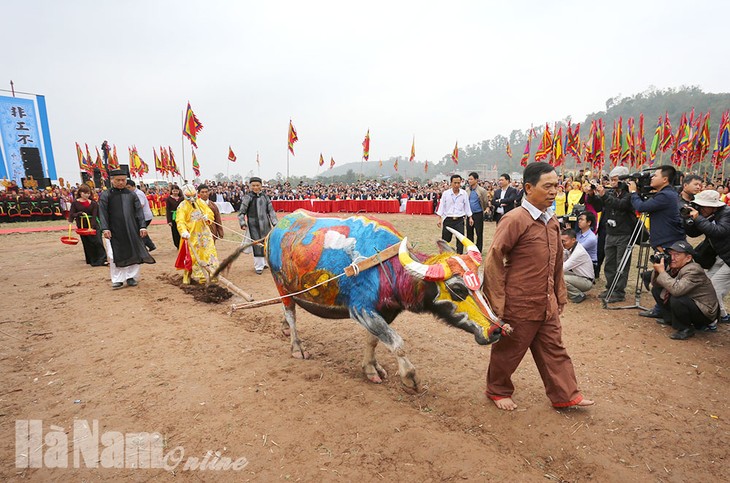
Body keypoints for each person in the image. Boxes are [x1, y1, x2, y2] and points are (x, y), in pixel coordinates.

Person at [483, 162, 593, 411]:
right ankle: (497, 390)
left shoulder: (552, 222)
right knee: (510, 350)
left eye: (556, 185)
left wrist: (559, 295)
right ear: (529, 188)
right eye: (548, 186)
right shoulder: (514, 220)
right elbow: (494, 261)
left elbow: (556, 263)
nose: (554, 191)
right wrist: (497, 303)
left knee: (554, 348)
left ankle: (565, 394)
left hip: (547, 302)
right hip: (519, 302)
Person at [629, 166, 686, 319]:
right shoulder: (666, 194)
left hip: (668, 243)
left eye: (655, 175)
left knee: (664, 279)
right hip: (666, 241)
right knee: (662, 277)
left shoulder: (665, 196)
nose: (652, 178)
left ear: (665, 179)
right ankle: (660, 308)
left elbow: (641, 207)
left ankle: (663, 311)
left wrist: (634, 192)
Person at [650, 240, 719, 340]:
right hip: (691, 303)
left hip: (705, 312)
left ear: (688, 258)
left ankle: (685, 329)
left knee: (677, 298)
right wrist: (659, 270)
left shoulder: (693, 269)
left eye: (677, 254)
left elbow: (677, 290)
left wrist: (662, 272)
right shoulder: (674, 266)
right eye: (670, 254)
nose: (672, 258)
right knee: (657, 290)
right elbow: (656, 283)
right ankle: (670, 319)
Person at [99, 170, 155, 289]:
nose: (121, 182)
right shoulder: (106, 195)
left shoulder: (131, 195)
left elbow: (139, 212)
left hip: (131, 229)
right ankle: (117, 279)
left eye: (123, 180)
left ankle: (131, 277)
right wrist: (105, 228)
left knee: (133, 252)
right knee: (114, 254)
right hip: (113, 230)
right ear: (112, 180)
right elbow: (102, 213)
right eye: (118, 180)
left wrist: (142, 226)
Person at [684, 189, 730, 324]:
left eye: (701, 206)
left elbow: (719, 231)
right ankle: (722, 315)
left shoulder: (727, 213)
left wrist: (698, 218)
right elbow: (693, 234)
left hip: (727, 258)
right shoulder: (709, 215)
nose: (699, 208)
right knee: (707, 284)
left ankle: (717, 317)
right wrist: (687, 220)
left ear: (712, 206)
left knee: (714, 288)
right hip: (723, 255)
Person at [594, 166, 636, 303]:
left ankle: (619, 292)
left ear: (624, 180)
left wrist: (604, 195)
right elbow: (598, 206)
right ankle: (610, 287)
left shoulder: (630, 194)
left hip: (624, 233)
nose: (612, 183)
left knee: (621, 264)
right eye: (611, 180)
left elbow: (621, 205)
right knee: (609, 263)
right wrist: (590, 194)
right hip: (610, 232)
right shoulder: (611, 193)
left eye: (615, 180)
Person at [175, 184, 220, 284]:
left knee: (209, 253)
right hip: (191, 234)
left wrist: (207, 217)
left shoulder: (200, 203)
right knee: (192, 256)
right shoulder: (182, 206)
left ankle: (211, 274)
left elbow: (210, 213)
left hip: (204, 233)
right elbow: (180, 221)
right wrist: (183, 231)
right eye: (189, 196)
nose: (192, 198)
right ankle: (187, 274)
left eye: (194, 196)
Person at [238, 177, 278, 274]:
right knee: (257, 245)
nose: (255, 187)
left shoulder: (265, 197)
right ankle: (258, 266)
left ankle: (264, 263)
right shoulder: (248, 197)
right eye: (253, 186)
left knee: (266, 244)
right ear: (250, 186)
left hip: (265, 225)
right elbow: (241, 212)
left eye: (257, 185)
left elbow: (271, 211)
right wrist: (242, 223)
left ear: (261, 186)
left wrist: (275, 223)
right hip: (253, 225)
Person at [68, 184, 106, 267]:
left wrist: (93, 225)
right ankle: (93, 260)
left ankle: (102, 259)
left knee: (98, 241)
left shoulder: (93, 203)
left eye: (88, 193)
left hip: (94, 224)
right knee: (88, 243)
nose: (87, 195)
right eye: (85, 193)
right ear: (80, 193)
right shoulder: (75, 203)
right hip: (82, 225)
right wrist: (77, 215)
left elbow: (96, 214)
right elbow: (72, 214)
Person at [435, 174, 473, 254]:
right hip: (448, 219)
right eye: (455, 183)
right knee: (445, 240)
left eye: (458, 183)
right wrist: (439, 218)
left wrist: (470, 217)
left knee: (460, 240)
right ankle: (444, 255)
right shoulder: (446, 194)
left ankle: (459, 256)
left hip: (459, 220)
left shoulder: (464, 193)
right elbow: (441, 206)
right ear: (451, 183)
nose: (457, 185)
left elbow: (467, 206)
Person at [561, 229, 595, 303]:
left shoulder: (578, 252)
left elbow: (563, 267)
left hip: (586, 281)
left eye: (564, 241)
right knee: (558, 275)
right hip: (578, 276)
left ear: (573, 240)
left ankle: (577, 295)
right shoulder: (570, 248)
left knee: (560, 278)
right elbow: (561, 261)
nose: (562, 243)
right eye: (561, 241)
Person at [126, 179, 156, 252]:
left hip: (144, 217)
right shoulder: (132, 193)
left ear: (134, 186)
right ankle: (150, 245)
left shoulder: (138, 193)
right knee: (141, 231)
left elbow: (140, 205)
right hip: (141, 216)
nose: (127, 189)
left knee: (140, 232)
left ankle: (143, 249)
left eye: (129, 187)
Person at [465, 171, 489, 252]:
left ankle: (478, 250)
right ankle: (470, 250)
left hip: (478, 214)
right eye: (468, 179)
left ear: (476, 180)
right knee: (469, 233)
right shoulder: (467, 190)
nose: (469, 181)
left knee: (479, 233)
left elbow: (485, 202)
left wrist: (486, 209)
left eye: (471, 179)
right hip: (469, 214)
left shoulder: (482, 190)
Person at [576, 211, 598, 278]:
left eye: (582, 219)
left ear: (589, 222)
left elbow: (576, 250)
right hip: (580, 261)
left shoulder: (591, 238)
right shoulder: (578, 233)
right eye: (579, 219)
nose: (579, 221)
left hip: (589, 264)